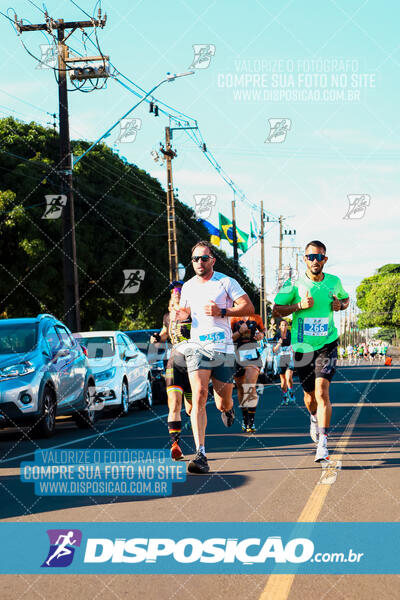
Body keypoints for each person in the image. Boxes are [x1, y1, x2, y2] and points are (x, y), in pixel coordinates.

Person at [176, 240, 254, 474]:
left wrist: (223, 311)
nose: (199, 262)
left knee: (222, 401)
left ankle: (228, 409)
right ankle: (201, 453)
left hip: (223, 349)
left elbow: (248, 307)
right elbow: (186, 314)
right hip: (198, 347)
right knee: (199, 394)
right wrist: (181, 316)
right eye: (195, 259)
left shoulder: (226, 282)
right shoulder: (187, 287)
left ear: (213, 260)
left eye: (203, 258)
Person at [272, 240, 349, 463]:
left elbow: (345, 298)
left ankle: (323, 443)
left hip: (327, 343)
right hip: (302, 346)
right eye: (311, 257)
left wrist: (340, 305)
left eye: (319, 257)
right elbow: (276, 310)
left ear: (325, 259)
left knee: (322, 391)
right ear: (304, 259)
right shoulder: (293, 284)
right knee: (309, 396)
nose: (315, 260)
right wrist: (298, 307)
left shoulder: (334, 282)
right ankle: (314, 418)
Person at [150, 281, 192, 461]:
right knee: (173, 404)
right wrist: (157, 338)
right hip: (174, 362)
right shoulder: (167, 317)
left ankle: (199, 444)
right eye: (174, 293)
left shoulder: (193, 314)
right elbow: (164, 334)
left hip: (194, 363)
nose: (176, 294)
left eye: (180, 292)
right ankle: (176, 445)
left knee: (191, 409)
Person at [231, 314, 265, 432]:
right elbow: (228, 338)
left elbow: (263, 330)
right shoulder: (232, 318)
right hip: (236, 354)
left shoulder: (256, 317)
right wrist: (240, 332)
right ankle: (245, 418)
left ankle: (251, 421)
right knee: (241, 389)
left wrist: (261, 335)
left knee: (250, 386)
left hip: (252, 354)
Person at [272, 319, 295, 406]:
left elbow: (295, 345)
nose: (284, 327)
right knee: (283, 381)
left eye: (285, 325)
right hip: (280, 359)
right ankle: (285, 396)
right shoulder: (277, 336)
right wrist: (278, 344)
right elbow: (274, 350)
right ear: (279, 326)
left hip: (289, 358)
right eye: (282, 325)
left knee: (289, 377)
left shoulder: (290, 335)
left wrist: (294, 349)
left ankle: (291, 391)